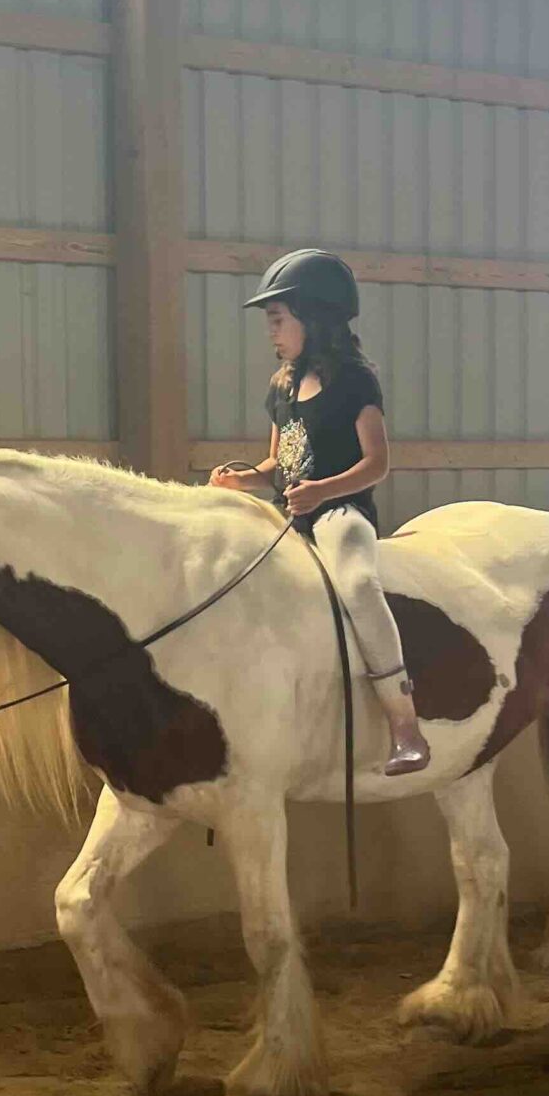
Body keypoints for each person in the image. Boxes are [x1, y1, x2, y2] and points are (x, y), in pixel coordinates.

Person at [208, 248, 429, 774]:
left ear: (315, 316)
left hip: (340, 514)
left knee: (356, 585)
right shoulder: (282, 386)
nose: (272, 332)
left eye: (279, 320)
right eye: (271, 322)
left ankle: (405, 724)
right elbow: (279, 459)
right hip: (291, 517)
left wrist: (322, 491)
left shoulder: (355, 381)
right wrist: (244, 480)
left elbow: (377, 464)